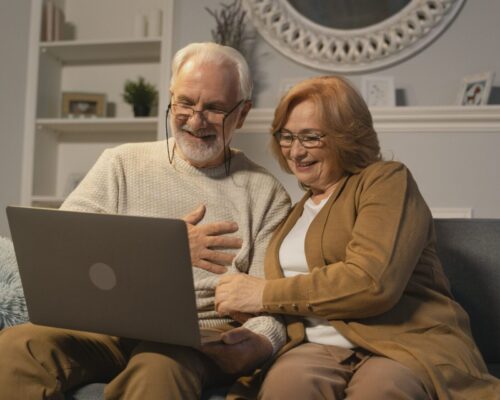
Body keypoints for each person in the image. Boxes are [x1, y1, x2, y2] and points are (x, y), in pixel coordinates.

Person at [0, 42, 291, 399]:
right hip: (104, 327)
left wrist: (262, 342)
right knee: (16, 345)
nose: (195, 120)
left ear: (242, 114)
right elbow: (64, 252)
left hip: (200, 337)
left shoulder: (266, 194)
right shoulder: (120, 164)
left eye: (214, 108)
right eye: (185, 103)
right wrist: (163, 252)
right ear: (170, 97)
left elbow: (273, 301)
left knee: (159, 366)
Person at [214, 75, 500, 399]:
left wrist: (263, 294)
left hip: (400, 343)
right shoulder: (293, 210)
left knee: (380, 391)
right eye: (287, 136)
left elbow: (370, 282)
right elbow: (282, 298)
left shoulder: (386, 180)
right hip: (313, 347)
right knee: (287, 387)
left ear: (345, 136)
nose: (295, 152)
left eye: (310, 138)